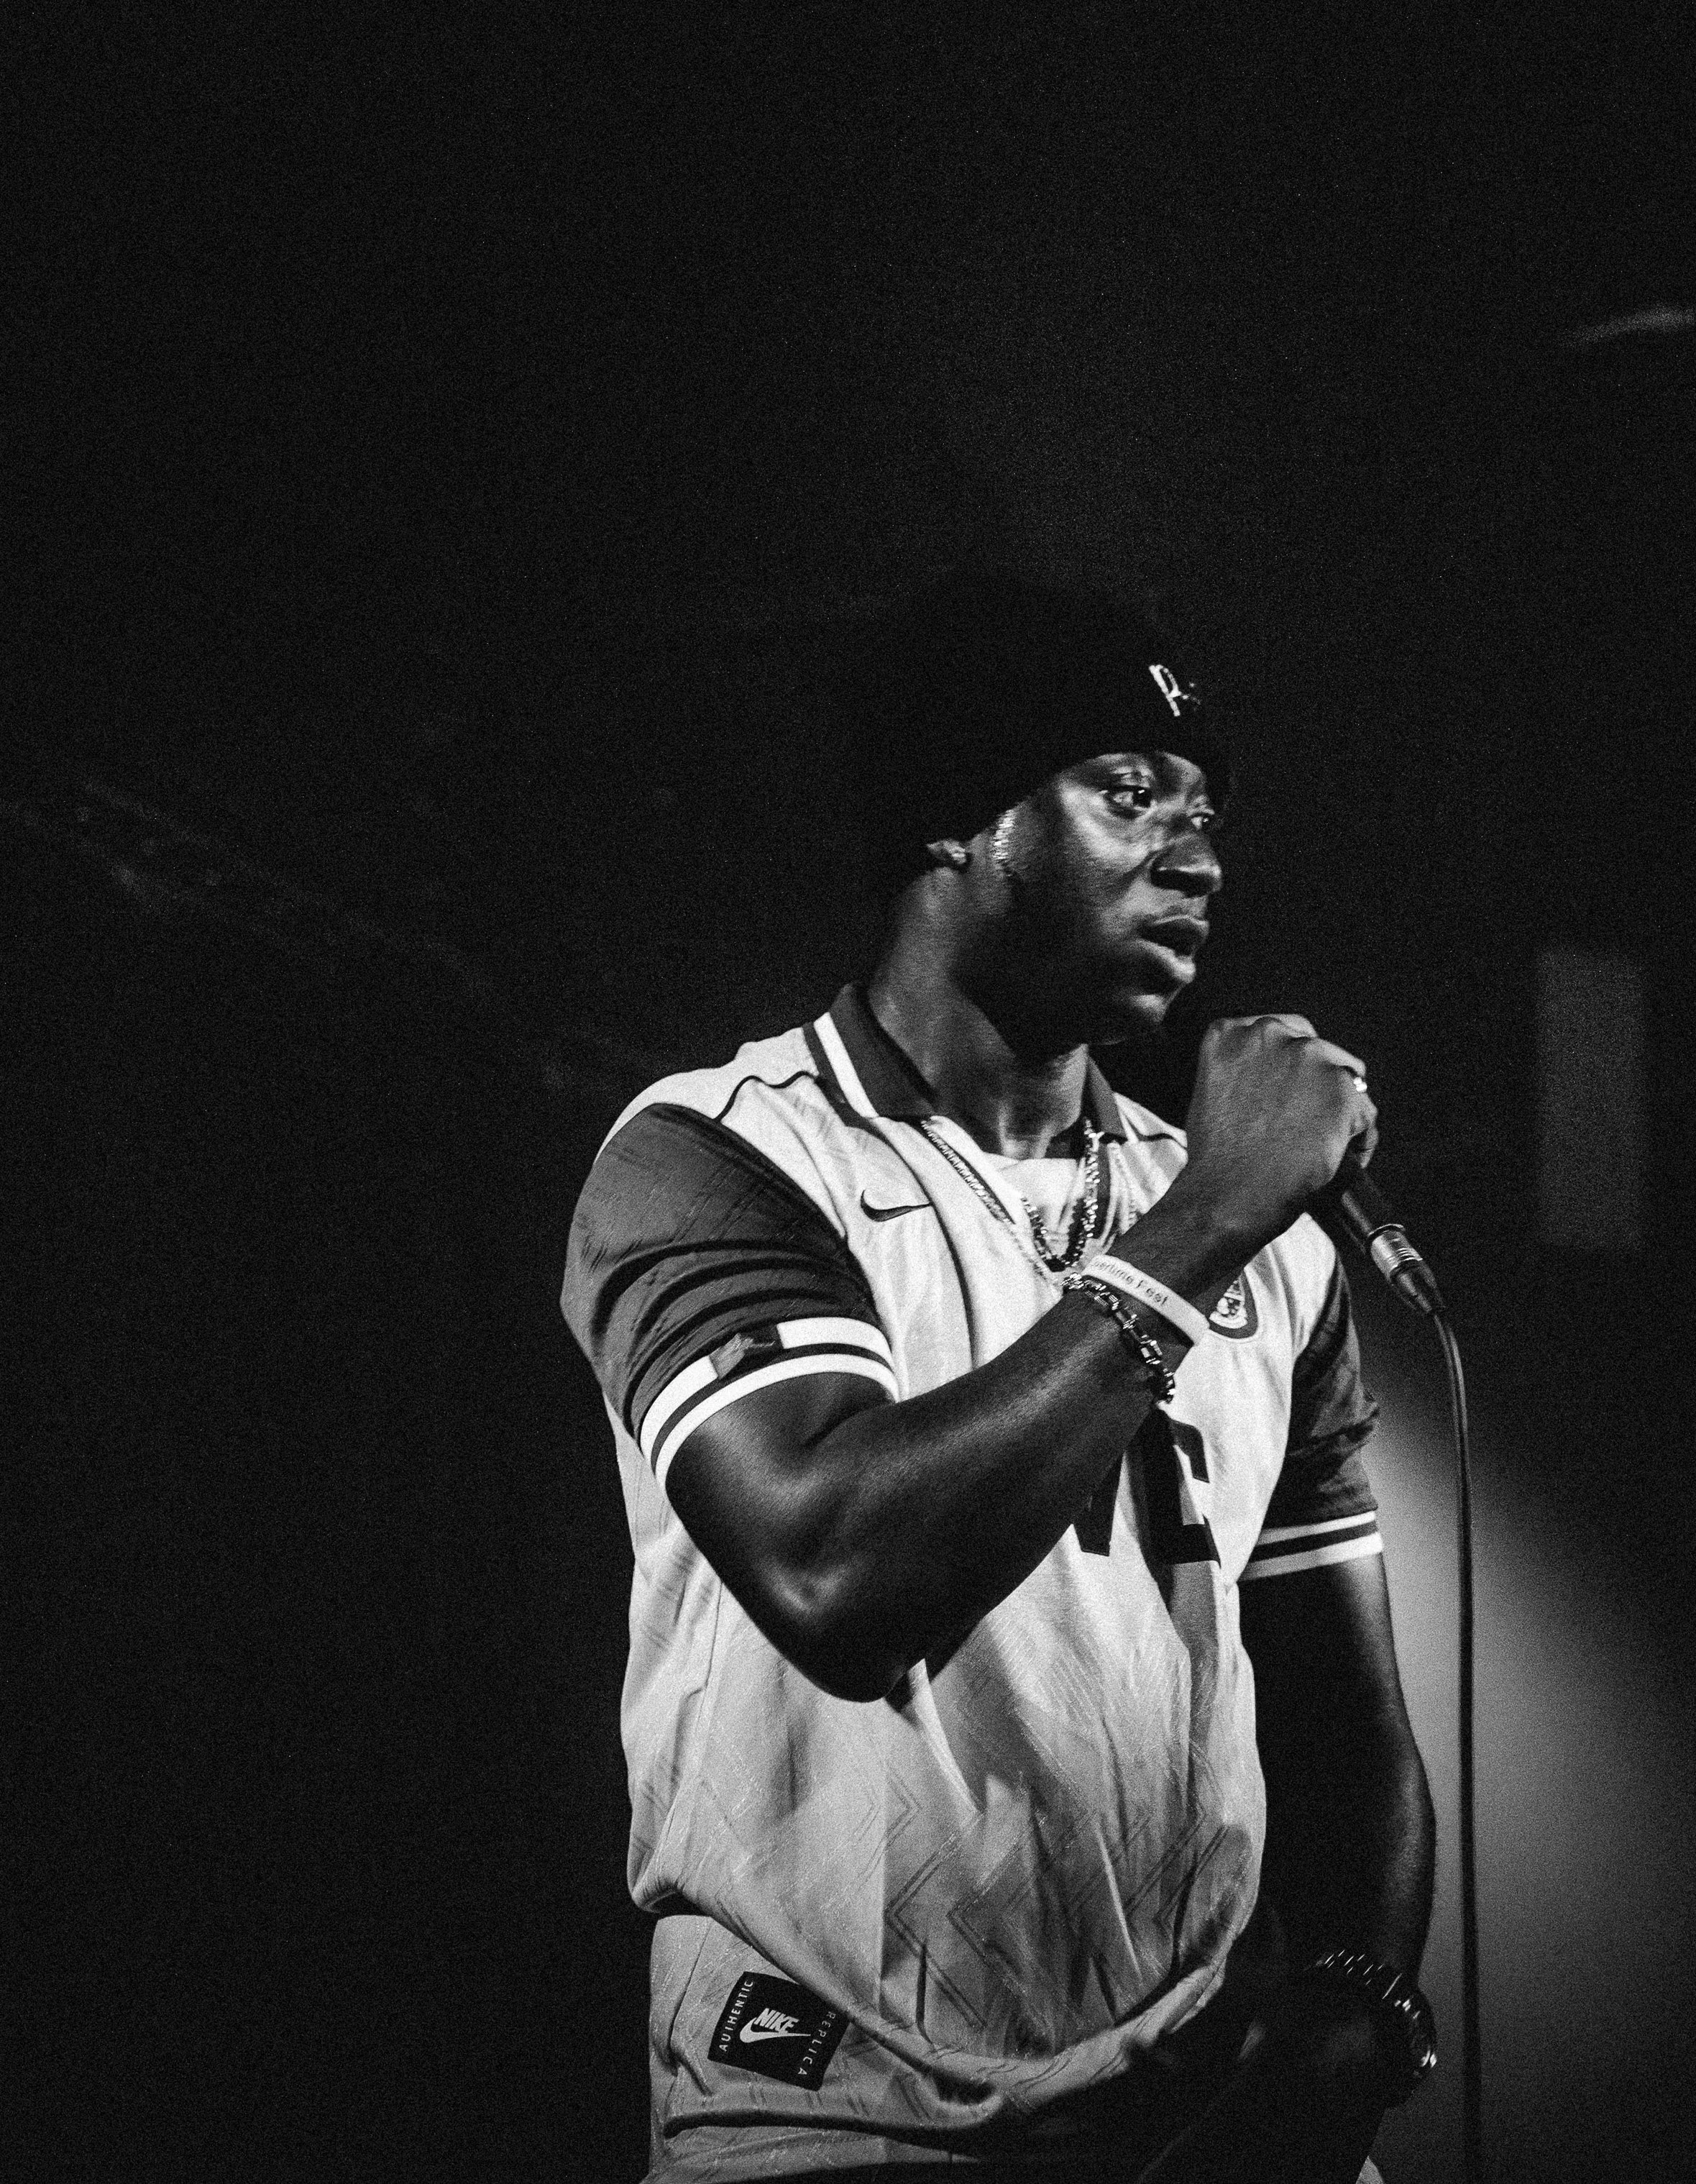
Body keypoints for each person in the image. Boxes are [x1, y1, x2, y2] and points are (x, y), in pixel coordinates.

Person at [561, 572, 1436, 2183]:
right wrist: (1205, 1224)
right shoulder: (712, 1160)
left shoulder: (1258, 1235)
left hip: (1202, 2105)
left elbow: (1340, 1702)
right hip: (828, 2102)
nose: (1199, 854)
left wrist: (1351, 2018)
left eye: (1205, 810)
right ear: (959, 821)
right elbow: (838, 1576)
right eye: (1129, 793)